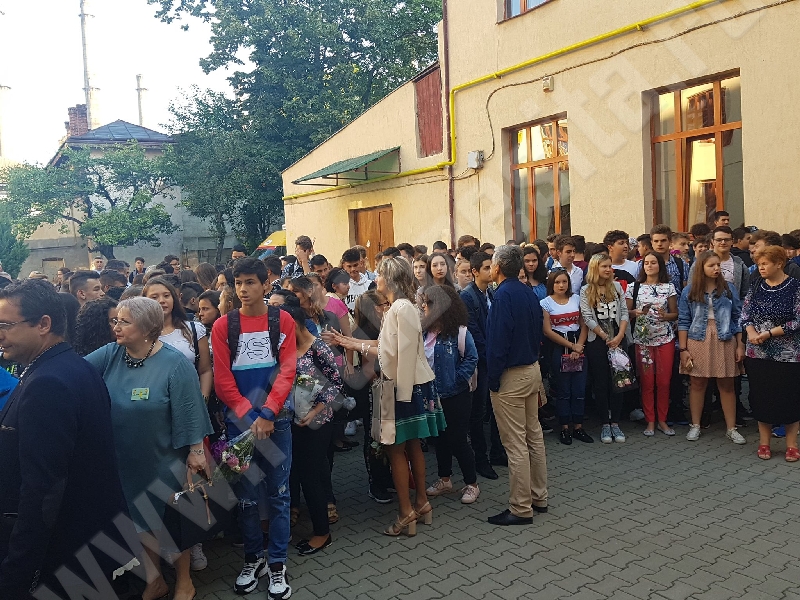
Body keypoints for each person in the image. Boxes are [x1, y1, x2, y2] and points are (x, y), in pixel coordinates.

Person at [0, 280, 139, 600]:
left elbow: (42, 490)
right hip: (91, 540)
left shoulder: (48, 382)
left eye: (6, 325)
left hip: (66, 553)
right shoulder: (73, 366)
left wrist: (16, 572)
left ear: (43, 324)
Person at [85, 296, 212, 600]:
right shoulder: (112, 354)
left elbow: (191, 410)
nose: (116, 327)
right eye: (115, 320)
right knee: (136, 519)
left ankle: (184, 582)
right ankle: (155, 580)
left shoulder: (174, 364)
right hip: (124, 458)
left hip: (163, 458)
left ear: (147, 328)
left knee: (171, 521)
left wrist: (196, 450)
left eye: (124, 322)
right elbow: (76, 373)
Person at [211, 257, 296, 598]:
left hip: (278, 422)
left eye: (250, 282)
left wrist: (269, 413)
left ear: (265, 284)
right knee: (245, 498)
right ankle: (252, 558)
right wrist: (251, 416)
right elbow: (222, 380)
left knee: (278, 495)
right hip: (239, 426)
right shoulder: (223, 326)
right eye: (238, 283)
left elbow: (287, 371)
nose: (243, 289)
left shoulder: (282, 320)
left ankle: (277, 564)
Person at [353, 257, 444, 535]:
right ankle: (421, 502)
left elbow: (392, 353)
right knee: (413, 446)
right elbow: (390, 346)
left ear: (390, 280)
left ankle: (406, 513)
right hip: (412, 383)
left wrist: (400, 394)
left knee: (396, 450)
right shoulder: (405, 306)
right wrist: (352, 342)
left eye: (379, 275)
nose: (376, 280)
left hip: (402, 386)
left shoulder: (399, 308)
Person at [485, 245, 547, 526]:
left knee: (515, 443)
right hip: (532, 369)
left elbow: (498, 342)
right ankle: (539, 496)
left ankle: (521, 507)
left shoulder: (502, 296)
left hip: (511, 375)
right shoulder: (527, 292)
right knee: (533, 436)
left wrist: (493, 378)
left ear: (498, 267)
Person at [283, 300, 343, 555]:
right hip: (293, 420)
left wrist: (315, 412)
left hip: (318, 422)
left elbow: (336, 385)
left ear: (296, 324)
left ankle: (322, 533)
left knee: (311, 475)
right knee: (299, 472)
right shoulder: (287, 349)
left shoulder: (319, 349)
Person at [678, 251, 746, 444]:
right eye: (711, 265)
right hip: (697, 339)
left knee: (727, 385)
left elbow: (738, 318)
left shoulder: (728, 289)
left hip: (725, 338)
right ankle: (695, 425)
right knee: (697, 384)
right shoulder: (689, 290)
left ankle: (731, 428)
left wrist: (740, 344)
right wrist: (683, 349)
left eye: (718, 265)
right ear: (701, 268)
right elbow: (683, 321)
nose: (716, 268)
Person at [740, 245, 800, 461]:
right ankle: (764, 443)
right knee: (762, 396)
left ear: (779, 264)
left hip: (788, 353)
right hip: (758, 353)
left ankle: (791, 445)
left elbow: (798, 320)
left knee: (790, 397)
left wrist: (769, 333)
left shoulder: (795, 287)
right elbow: (745, 314)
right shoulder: (756, 285)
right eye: (759, 264)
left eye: (765, 263)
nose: (761, 267)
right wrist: (751, 332)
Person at [421, 285, 480, 504]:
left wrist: (456, 379)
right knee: (439, 439)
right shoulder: (423, 331)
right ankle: (444, 479)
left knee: (458, 439)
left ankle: (472, 484)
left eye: (428, 303)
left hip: (456, 395)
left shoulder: (459, 332)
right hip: (431, 395)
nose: (424, 307)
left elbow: (472, 358)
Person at [460, 251, 505, 480]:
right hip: (480, 362)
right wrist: (491, 357)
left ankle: (497, 452)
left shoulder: (492, 292)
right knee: (478, 412)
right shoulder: (467, 296)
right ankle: (480, 459)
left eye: (491, 266)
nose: (491, 271)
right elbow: (474, 333)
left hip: (493, 359)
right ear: (475, 271)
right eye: (486, 267)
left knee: (497, 409)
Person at [625, 252, 679, 437]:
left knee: (663, 382)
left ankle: (662, 420)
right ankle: (650, 421)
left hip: (665, 339)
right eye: (646, 263)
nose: (649, 265)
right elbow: (626, 312)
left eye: (653, 262)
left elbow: (675, 314)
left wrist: (666, 316)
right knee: (647, 382)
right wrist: (637, 312)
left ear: (659, 265)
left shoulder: (668, 287)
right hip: (643, 341)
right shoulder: (633, 287)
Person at [580, 253, 630, 444]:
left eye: (610, 266)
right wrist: (605, 337)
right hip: (597, 342)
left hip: (618, 340)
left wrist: (619, 336)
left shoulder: (616, 287)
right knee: (601, 383)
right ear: (595, 268)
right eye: (604, 266)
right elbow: (587, 317)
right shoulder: (585, 290)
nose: (609, 269)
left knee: (619, 381)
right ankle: (604, 424)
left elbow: (624, 312)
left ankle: (615, 422)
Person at [540, 270, 592, 445]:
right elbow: (547, 331)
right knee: (563, 390)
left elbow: (584, 324)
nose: (561, 285)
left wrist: (579, 346)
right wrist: (571, 346)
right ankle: (564, 428)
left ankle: (578, 427)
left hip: (579, 346)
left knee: (579, 389)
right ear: (551, 284)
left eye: (564, 282)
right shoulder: (545, 303)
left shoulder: (577, 299)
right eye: (557, 282)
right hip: (559, 347)